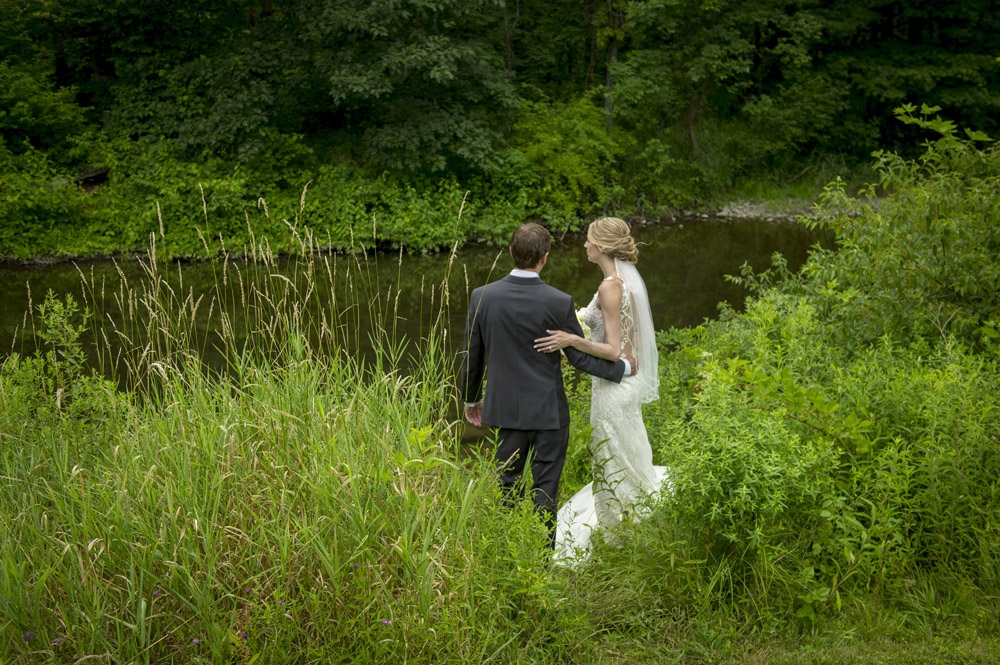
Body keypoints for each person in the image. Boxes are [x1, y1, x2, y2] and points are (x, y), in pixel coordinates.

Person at [459, 222, 636, 549]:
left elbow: (473, 356)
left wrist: (471, 401)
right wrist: (622, 368)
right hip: (549, 415)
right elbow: (579, 358)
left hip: (504, 412)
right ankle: (541, 562)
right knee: (545, 490)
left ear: (511, 252)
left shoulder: (482, 297)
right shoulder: (558, 301)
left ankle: (509, 555)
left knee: (507, 487)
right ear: (544, 258)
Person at [533, 216, 666, 560]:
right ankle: (636, 519)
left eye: (589, 240)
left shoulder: (610, 286)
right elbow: (632, 339)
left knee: (610, 456)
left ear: (603, 246)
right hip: (628, 382)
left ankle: (618, 537)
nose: (585, 245)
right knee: (626, 451)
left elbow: (611, 349)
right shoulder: (627, 282)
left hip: (612, 390)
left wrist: (572, 338)